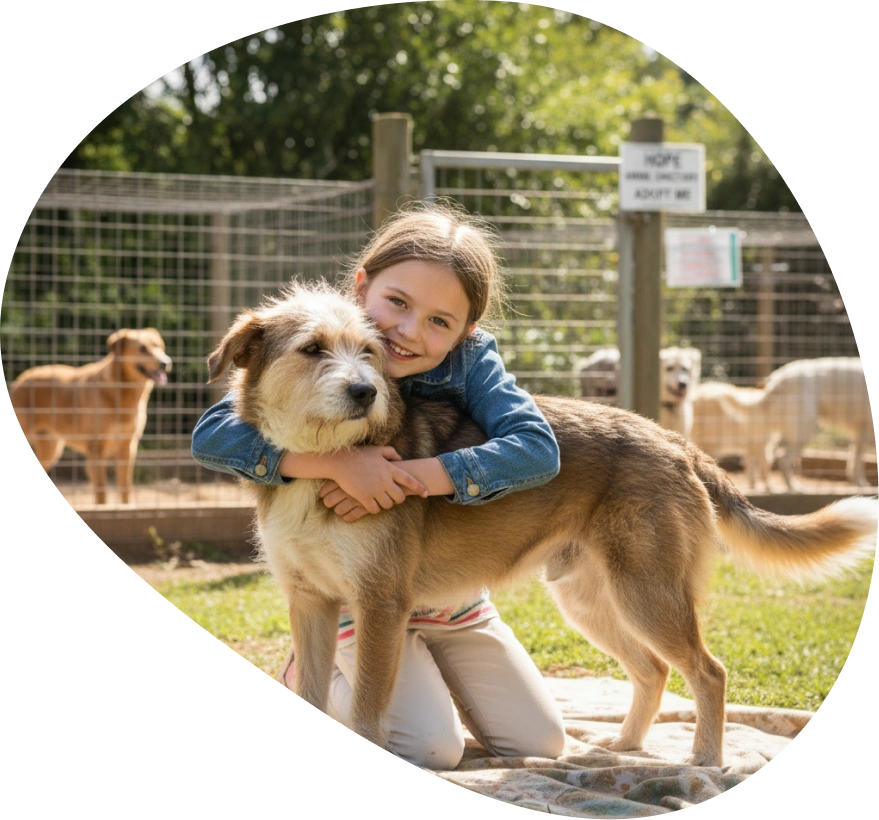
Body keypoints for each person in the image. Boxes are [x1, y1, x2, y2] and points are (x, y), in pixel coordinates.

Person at [191, 201, 566, 769]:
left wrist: (412, 476)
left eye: (440, 321)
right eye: (396, 303)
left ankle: (431, 676)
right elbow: (217, 432)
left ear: (467, 330)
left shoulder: (471, 362)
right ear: (362, 285)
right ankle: (315, 678)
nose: (408, 332)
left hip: (452, 605)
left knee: (541, 745)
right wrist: (338, 465)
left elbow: (536, 447)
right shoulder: (314, 336)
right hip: (355, 607)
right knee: (428, 748)